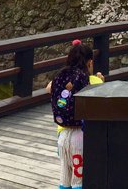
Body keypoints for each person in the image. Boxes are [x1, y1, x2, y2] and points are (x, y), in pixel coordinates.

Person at [47, 40, 105, 189]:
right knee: (78, 181)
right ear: (90, 62)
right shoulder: (93, 80)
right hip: (79, 137)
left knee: (64, 179)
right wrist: (101, 80)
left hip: (62, 135)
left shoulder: (61, 75)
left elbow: (49, 88)